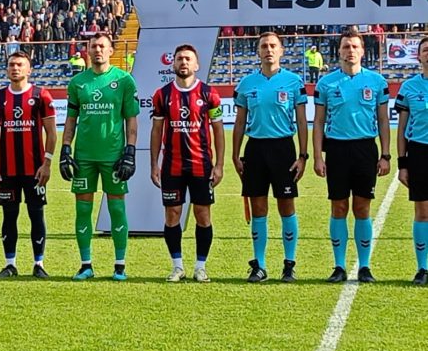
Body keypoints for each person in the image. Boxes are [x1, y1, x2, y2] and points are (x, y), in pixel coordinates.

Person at [58, 32, 139, 281]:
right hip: (84, 157)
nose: (98, 50)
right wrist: (65, 149)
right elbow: (71, 120)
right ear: (88, 50)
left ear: (111, 50)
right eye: (93, 46)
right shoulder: (78, 83)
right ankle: (86, 265)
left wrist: (130, 151)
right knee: (83, 211)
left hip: (113, 156)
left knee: (116, 208)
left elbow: (131, 121)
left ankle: (120, 266)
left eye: (102, 46)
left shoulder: (124, 80)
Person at [313, 28, 390, 284]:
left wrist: (386, 155)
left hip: (365, 150)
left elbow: (382, 120)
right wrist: (317, 157)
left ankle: (365, 266)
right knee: (339, 207)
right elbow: (319, 121)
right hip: (336, 150)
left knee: (362, 208)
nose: (350, 51)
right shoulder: (326, 83)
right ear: (339, 51)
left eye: (355, 47)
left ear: (363, 51)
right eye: (346, 47)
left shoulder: (377, 82)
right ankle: (339, 266)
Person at [231, 32, 309, 283]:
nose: (268, 50)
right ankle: (260, 265)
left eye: (273, 45)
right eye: (264, 46)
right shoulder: (246, 84)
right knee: (259, 209)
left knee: (286, 207)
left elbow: (301, 121)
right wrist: (235, 153)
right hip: (255, 149)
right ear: (258, 51)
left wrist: (303, 155)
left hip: (283, 149)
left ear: (281, 50)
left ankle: (289, 264)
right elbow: (240, 121)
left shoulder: (294, 82)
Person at [150, 44, 225, 283]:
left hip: (201, 165)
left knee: (203, 215)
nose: (183, 62)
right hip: (172, 166)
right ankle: (177, 266)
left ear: (196, 65)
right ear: (173, 64)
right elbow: (156, 130)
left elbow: (219, 130)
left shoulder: (209, 94)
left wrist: (220, 164)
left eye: (188, 59)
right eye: (180, 59)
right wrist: (154, 163)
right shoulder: (162, 95)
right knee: (172, 215)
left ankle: (200, 267)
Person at [0, 51, 57, 278]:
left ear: (29, 70)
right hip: (7, 169)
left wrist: (47, 163)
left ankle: (39, 264)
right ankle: (10, 264)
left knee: (36, 214)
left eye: (20, 65)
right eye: (11, 65)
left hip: (35, 169)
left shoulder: (41, 95)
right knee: (9, 216)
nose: (15, 68)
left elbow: (51, 133)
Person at [394, 36, 428, 284]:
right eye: (425, 50)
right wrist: (402, 163)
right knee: (422, 211)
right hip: (420, 153)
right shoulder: (409, 87)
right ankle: (423, 268)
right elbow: (402, 128)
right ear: (419, 56)